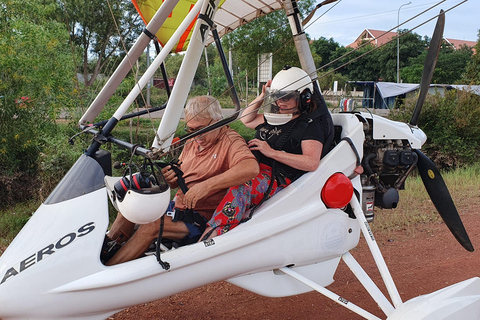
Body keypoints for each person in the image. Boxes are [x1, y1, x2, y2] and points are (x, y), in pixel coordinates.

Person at [103, 95, 259, 265]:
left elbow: (250, 168)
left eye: (200, 129)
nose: (196, 135)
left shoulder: (230, 140)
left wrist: (206, 186)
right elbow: (181, 179)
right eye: (191, 129)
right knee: (133, 204)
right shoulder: (193, 141)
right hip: (179, 207)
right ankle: (107, 249)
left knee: (152, 226)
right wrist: (171, 179)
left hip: (201, 217)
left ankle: (108, 271)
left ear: (217, 121)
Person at [200, 66, 335, 240]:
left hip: (277, 177)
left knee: (241, 187)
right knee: (217, 175)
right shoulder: (275, 117)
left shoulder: (310, 125)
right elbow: (246, 119)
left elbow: (311, 162)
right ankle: (199, 222)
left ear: (304, 97)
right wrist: (263, 95)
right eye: (277, 96)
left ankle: (211, 238)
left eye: (287, 97)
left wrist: (271, 152)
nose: (280, 102)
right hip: (255, 168)